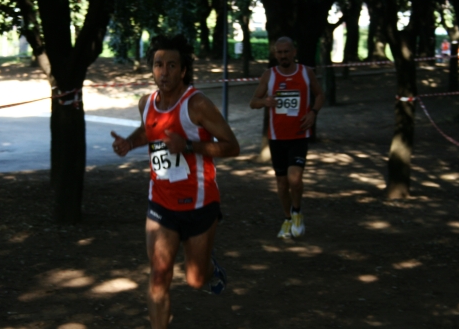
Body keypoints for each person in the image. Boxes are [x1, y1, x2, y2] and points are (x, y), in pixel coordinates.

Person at [111, 34, 240, 329]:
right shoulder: (146, 103)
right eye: (158, 65)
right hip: (161, 205)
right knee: (158, 276)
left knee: (196, 280)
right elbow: (149, 131)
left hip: (199, 204)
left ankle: (209, 266)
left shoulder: (197, 105)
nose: (164, 72)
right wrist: (129, 143)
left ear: (183, 70)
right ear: (152, 69)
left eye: (171, 65)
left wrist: (190, 146)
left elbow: (233, 146)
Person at [249, 36, 324, 239]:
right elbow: (253, 102)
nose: (282, 55)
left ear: (294, 52)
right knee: (282, 184)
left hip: (299, 135)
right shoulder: (269, 75)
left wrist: (313, 113)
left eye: (286, 52)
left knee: (295, 179)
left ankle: (297, 211)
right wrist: (265, 101)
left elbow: (319, 95)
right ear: (275, 54)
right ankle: (287, 219)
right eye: (279, 52)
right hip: (277, 137)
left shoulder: (306, 73)